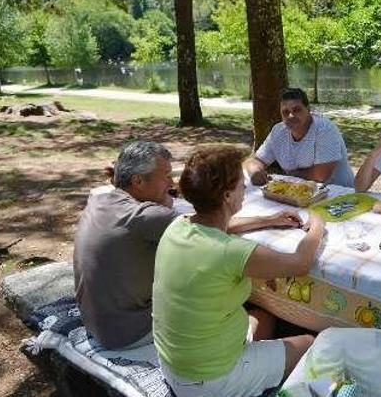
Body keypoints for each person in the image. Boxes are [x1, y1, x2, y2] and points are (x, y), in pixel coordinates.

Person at [74, 141, 301, 351]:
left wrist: (164, 198)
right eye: (165, 176)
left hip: (98, 322)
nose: (171, 183)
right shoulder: (143, 216)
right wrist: (269, 220)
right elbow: (212, 225)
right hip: (127, 332)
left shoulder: (100, 200)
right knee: (262, 316)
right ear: (137, 181)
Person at [153, 144, 324, 397]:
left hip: (174, 364)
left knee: (263, 317)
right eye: (240, 182)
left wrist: (269, 220)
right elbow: (300, 263)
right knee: (309, 343)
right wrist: (318, 226)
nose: (245, 187)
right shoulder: (231, 252)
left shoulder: (178, 225)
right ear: (226, 196)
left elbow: (223, 228)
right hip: (211, 379)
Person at [245, 87, 354, 188]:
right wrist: (255, 173)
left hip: (339, 194)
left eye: (297, 110)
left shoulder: (325, 129)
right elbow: (255, 161)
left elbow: (321, 175)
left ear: (308, 109)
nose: (291, 116)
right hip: (300, 192)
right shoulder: (278, 131)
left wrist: (290, 175)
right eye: (285, 112)